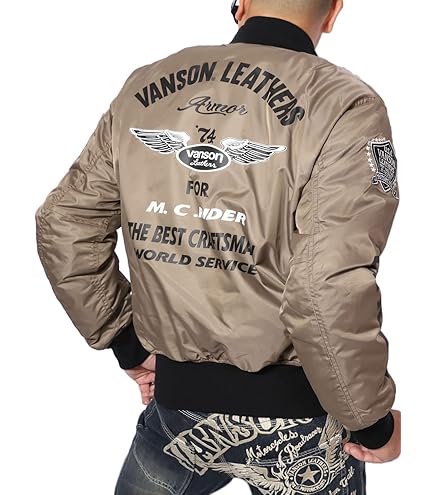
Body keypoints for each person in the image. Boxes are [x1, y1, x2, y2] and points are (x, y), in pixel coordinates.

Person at [35, 0, 401, 493]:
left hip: (177, 409)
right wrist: (371, 421)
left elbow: (64, 222)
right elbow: (326, 282)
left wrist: (127, 341)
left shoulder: (146, 88)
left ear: (240, 4)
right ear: (334, 11)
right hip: (301, 426)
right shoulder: (344, 104)